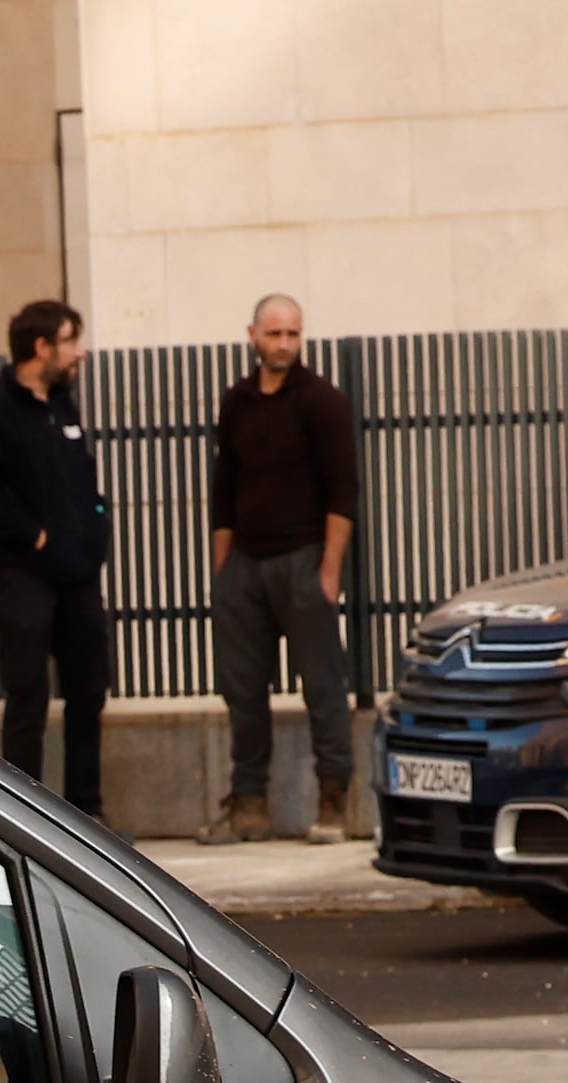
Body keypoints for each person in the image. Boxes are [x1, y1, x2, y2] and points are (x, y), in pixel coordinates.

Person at [207, 293, 362, 842]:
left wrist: (328, 569)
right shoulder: (238, 401)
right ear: (253, 335)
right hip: (245, 565)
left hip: (303, 561)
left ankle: (334, 802)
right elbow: (225, 488)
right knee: (242, 688)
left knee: (322, 685)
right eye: (274, 334)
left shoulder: (322, 400)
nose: (284, 345)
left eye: (293, 334)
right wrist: (224, 566)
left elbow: (344, 489)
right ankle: (249, 805)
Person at [0, 299, 107, 817]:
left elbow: (82, 479)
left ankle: (88, 813)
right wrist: (33, 535)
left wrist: (94, 531)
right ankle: (27, 815)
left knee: (89, 691)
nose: (79, 353)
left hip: (77, 574)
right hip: (22, 575)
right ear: (41, 347)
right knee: (29, 696)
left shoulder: (63, 404)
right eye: (70, 341)